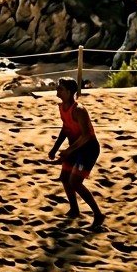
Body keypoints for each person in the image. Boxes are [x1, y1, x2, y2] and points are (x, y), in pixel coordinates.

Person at [48, 78, 105, 230]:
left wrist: (68, 151)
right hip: (75, 147)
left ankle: (98, 214)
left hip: (88, 149)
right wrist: (55, 148)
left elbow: (86, 135)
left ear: (69, 92)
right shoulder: (62, 107)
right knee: (65, 178)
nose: (57, 91)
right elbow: (65, 128)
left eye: (60, 89)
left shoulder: (79, 110)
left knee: (75, 182)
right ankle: (74, 210)